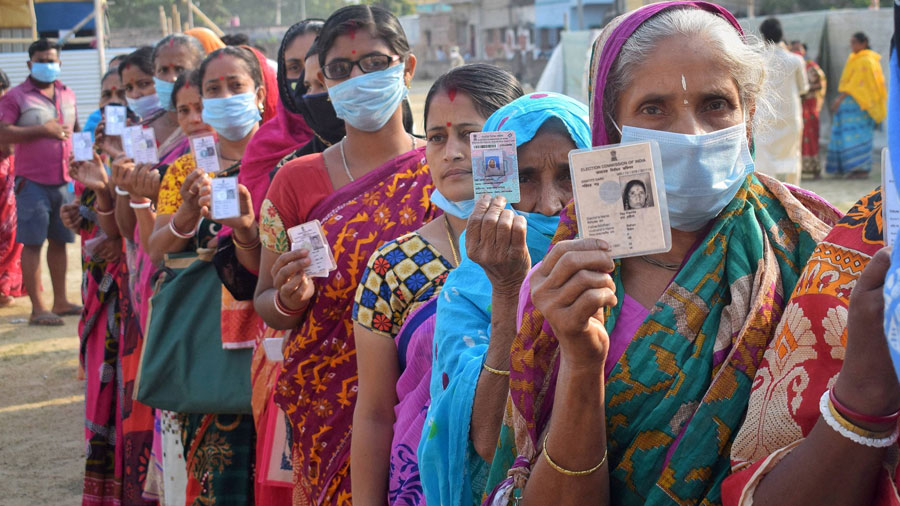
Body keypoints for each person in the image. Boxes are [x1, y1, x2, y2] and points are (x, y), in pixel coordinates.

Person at [479, 3, 841, 505]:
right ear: (612, 128)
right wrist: (583, 366)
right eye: (654, 108)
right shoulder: (564, 285)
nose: (691, 134)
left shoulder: (813, 256)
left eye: (716, 103)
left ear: (749, 114)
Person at [253, 6, 435, 504]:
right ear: (324, 83)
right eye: (339, 69)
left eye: (375, 63)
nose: (358, 79)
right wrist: (289, 299)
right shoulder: (292, 180)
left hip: (428, 392)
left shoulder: (442, 170)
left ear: (407, 68)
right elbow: (264, 299)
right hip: (326, 403)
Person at [350, 64, 524, 506]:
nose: (452, 152)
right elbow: (373, 413)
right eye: (437, 138)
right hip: (422, 488)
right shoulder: (394, 265)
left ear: (513, 141)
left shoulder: (551, 246)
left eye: (471, 134)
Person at [418, 92, 591, 506]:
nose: (550, 205)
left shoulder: (635, 264)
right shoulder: (468, 291)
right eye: (525, 179)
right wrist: (510, 291)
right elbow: (488, 441)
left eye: (568, 177)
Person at [150, 45, 272, 505]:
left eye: (234, 86)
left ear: (259, 94)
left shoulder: (290, 158)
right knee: (218, 481)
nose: (224, 97)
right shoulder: (186, 167)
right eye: (212, 90)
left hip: (275, 331)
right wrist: (184, 213)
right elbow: (157, 249)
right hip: (207, 344)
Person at [0, 38, 81, 326]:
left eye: (52, 60)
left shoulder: (68, 94)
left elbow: (77, 132)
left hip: (63, 181)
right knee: (32, 243)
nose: (48, 65)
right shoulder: (15, 97)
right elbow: (3, 133)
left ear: (59, 63)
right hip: (31, 181)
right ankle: (38, 309)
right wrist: (42, 130)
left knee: (60, 240)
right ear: (29, 63)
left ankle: (60, 302)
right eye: (42, 60)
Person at [753, 17, 808, 185]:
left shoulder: (756, 60)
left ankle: (766, 199)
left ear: (762, 36)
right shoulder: (795, 60)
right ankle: (794, 198)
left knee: (763, 161)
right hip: (791, 117)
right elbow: (803, 88)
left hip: (763, 117)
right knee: (791, 157)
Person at [825, 31, 887, 179]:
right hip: (854, 106)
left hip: (860, 106)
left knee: (859, 137)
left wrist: (840, 99)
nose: (851, 45)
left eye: (854, 42)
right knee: (850, 137)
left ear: (863, 43)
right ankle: (854, 168)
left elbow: (855, 86)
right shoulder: (857, 58)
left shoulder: (866, 60)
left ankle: (862, 169)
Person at [0, 69, 23, 307]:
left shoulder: (10, 109)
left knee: (10, 230)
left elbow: (12, 146)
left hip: (7, 174)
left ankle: (4, 286)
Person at [790, 40, 827, 179]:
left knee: (811, 136)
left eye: (798, 48)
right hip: (797, 106)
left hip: (809, 107)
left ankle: (815, 169)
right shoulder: (791, 65)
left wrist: (804, 89)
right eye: (793, 48)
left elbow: (820, 84)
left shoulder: (811, 66)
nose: (796, 51)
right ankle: (801, 170)